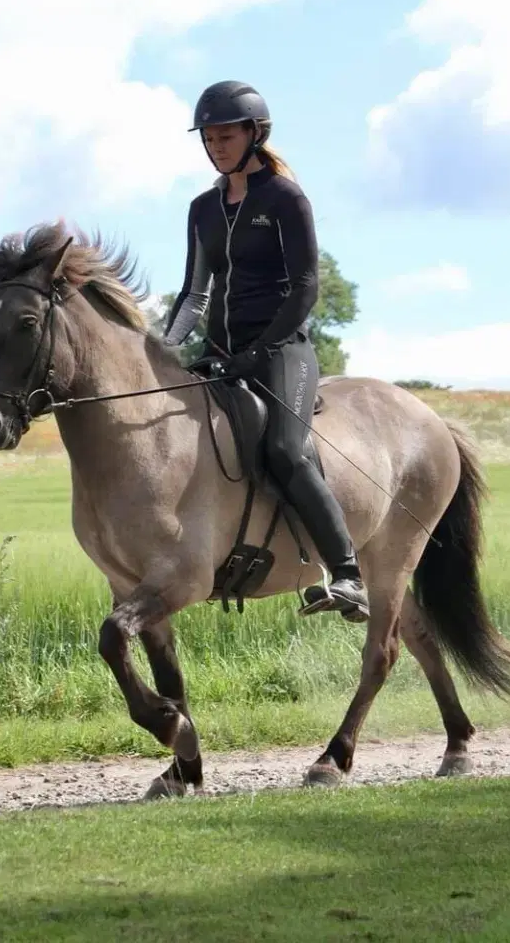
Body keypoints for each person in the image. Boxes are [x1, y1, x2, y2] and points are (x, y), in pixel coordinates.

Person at [161, 79, 370, 622]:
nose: (215, 145)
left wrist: (261, 349)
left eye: (225, 135)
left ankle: (347, 574)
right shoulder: (203, 208)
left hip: (282, 352)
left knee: (284, 450)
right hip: (220, 354)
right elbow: (194, 293)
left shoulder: (284, 197)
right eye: (208, 138)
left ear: (255, 133)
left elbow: (305, 287)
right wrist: (162, 349)